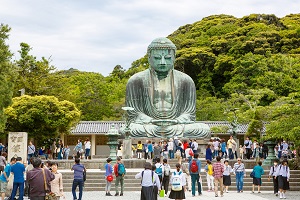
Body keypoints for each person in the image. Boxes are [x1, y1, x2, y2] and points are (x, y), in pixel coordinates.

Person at [124, 37, 210, 138]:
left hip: (176, 125)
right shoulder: (136, 80)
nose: (162, 62)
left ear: (174, 58)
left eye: (168, 58)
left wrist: (176, 121)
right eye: (157, 58)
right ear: (149, 58)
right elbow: (133, 114)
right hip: (149, 125)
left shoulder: (186, 80)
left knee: (204, 129)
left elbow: (189, 113)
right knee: (127, 130)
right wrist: (152, 121)